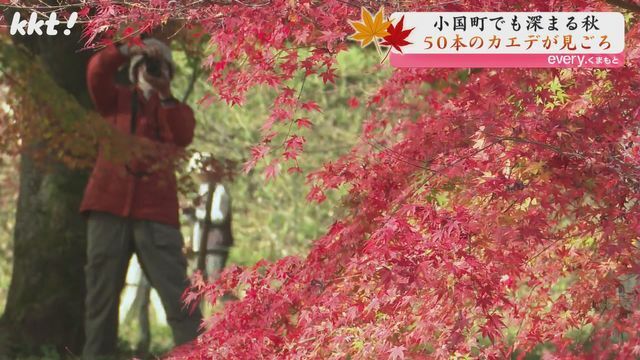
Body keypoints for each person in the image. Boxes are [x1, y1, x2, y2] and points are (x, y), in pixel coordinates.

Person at [80, 38, 202, 359]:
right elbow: (96, 73)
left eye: (159, 67)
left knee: (180, 299)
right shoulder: (114, 102)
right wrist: (127, 48)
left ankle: (196, 355)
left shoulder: (173, 109)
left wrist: (164, 94)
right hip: (108, 207)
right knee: (100, 302)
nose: (152, 70)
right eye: (148, 65)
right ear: (134, 70)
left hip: (156, 214)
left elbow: (184, 135)